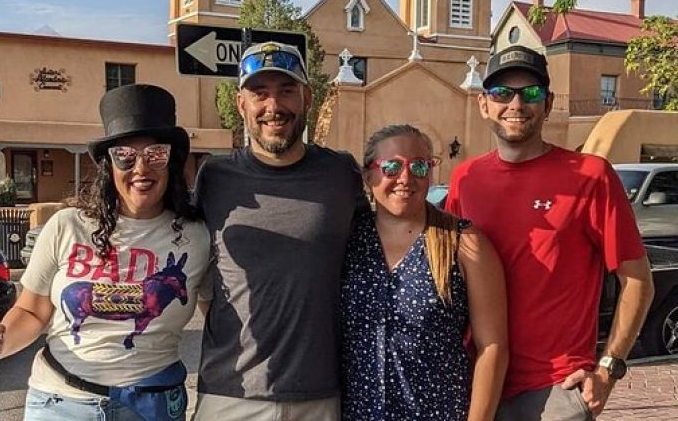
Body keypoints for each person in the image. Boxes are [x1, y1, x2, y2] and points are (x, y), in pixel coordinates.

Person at [0, 84, 210, 421]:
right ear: (109, 165)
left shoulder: (196, 237)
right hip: (60, 402)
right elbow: (33, 312)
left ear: (172, 161)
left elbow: (219, 318)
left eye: (155, 154)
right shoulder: (66, 226)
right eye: (125, 155)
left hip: (151, 405)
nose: (141, 168)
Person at [446, 45, 655, 421]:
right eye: (501, 93)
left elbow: (638, 280)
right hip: (479, 383)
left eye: (531, 93)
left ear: (548, 103)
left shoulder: (590, 176)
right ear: (484, 104)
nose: (516, 103)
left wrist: (608, 368)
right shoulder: (466, 179)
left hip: (556, 389)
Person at [192, 41, 369, 421]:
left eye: (286, 91)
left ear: (307, 97)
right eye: (260, 93)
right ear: (242, 104)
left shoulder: (341, 174)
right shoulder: (214, 177)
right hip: (230, 395)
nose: (274, 107)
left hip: (319, 395)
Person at [341, 124, 508, 420]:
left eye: (418, 166)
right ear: (369, 176)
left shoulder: (461, 241)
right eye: (391, 167)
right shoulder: (347, 239)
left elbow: (492, 347)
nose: (405, 178)